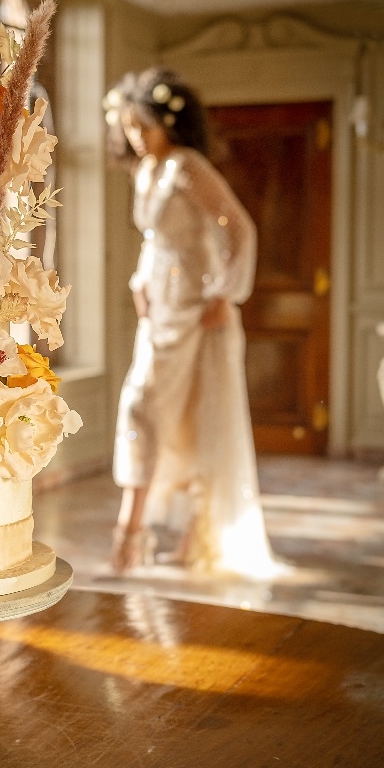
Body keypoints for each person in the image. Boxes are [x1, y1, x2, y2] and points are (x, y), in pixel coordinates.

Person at [105, 67, 281, 578]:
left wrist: (225, 294)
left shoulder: (187, 166)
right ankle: (149, 534)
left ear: (169, 124)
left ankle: (163, 535)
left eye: (144, 126)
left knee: (192, 411)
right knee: (148, 406)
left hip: (199, 308)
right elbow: (156, 241)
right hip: (159, 308)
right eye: (129, 127)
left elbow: (239, 228)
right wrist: (139, 280)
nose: (136, 137)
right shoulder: (145, 171)